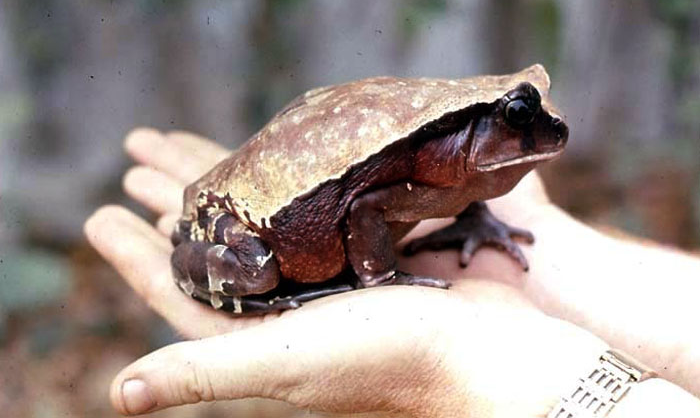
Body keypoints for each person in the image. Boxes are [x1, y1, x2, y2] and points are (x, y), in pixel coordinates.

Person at [84, 127, 700, 417]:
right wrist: (378, 277)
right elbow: (370, 202)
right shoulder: (423, 161)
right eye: (514, 114)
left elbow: (421, 188)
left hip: (297, 190)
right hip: (262, 232)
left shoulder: (446, 163)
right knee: (262, 273)